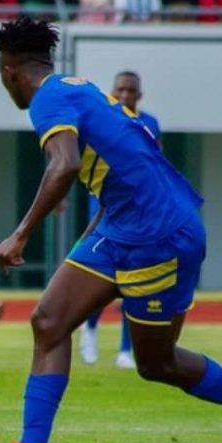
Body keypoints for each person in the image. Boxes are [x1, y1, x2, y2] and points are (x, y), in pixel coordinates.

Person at [0, 17, 222, 443]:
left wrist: (20, 235)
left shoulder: (47, 100)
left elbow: (64, 165)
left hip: (158, 234)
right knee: (48, 322)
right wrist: (88, 243)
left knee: (157, 363)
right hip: (124, 224)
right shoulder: (78, 88)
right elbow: (124, 165)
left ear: (9, 72)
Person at [80, 69, 160, 370]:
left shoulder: (150, 124)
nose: (125, 95)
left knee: (134, 284)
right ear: (113, 93)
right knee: (101, 282)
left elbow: (157, 164)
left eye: (131, 91)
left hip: (139, 215)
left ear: (139, 95)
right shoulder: (102, 121)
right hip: (106, 211)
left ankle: (125, 350)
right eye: (120, 90)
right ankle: (89, 329)